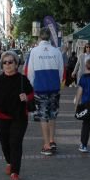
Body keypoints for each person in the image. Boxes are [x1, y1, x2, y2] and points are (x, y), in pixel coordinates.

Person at [0, 51, 34, 180]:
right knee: (5, 144)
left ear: (16, 64)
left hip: (20, 117)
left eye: (10, 62)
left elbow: (32, 94)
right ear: (2, 65)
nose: (8, 64)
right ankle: (9, 162)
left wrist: (27, 97)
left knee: (15, 143)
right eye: (5, 62)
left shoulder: (22, 79)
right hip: (2, 117)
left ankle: (15, 171)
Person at [26, 28, 64, 156]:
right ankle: (52, 140)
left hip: (40, 87)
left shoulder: (34, 51)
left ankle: (47, 144)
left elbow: (30, 71)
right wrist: (57, 83)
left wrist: (31, 85)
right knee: (52, 114)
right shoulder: (56, 51)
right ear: (49, 38)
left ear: (39, 37)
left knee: (43, 116)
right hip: (54, 87)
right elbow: (61, 71)